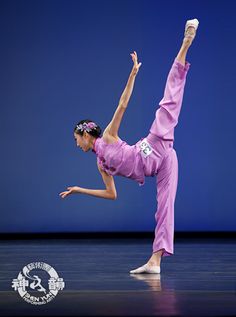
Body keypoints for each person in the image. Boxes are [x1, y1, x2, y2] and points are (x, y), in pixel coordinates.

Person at [59, 18, 199, 274]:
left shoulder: (108, 136)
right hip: (160, 165)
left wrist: (133, 74)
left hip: (153, 146)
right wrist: (80, 190)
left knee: (168, 104)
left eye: (76, 138)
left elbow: (123, 103)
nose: (76, 143)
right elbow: (112, 195)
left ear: (85, 133)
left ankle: (185, 44)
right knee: (164, 209)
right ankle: (155, 262)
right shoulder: (100, 163)